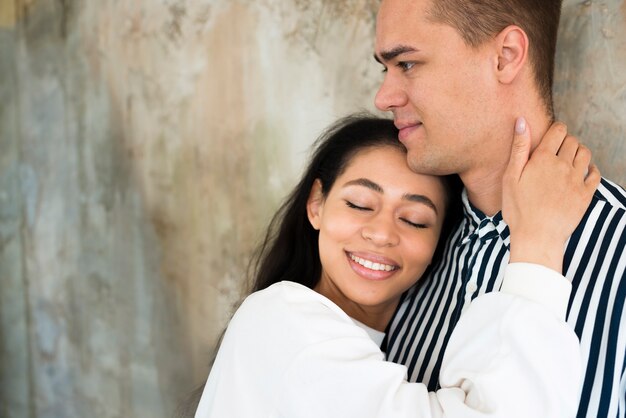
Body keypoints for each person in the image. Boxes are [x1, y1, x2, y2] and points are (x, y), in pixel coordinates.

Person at [193, 114, 599, 417]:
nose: (382, 233)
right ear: (316, 204)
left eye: (414, 220)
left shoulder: (383, 342)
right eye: (359, 204)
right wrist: (539, 244)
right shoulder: (279, 319)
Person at [373, 1, 626, 417]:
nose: (383, 97)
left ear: (506, 56)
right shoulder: (398, 245)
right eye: (387, 68)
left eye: (407, 64)